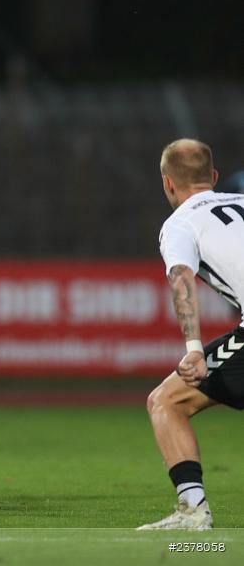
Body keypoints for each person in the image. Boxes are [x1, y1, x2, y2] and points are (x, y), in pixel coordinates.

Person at [138, 138, 244, 531]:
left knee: (166, 401)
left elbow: (181, 276)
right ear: (214, 178)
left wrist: (194, 349)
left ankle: (193, 511)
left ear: (168, 183)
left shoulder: (180, 222)